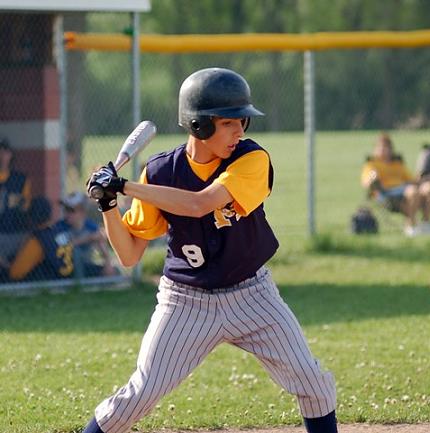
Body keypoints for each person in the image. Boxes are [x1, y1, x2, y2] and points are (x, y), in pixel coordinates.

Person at [81, 68, 337, 433]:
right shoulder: (159, 173)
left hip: (252, 294)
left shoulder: (251, 159)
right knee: (137, 397)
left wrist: (123, 185)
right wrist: (107, 205)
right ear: (199, 125)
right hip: (185, 301)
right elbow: (129, 255)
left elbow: (200, 204)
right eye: (229, 123)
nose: (240, 132)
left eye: (242, 122)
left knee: (313, 383)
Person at [361, 133, 430, 237]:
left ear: (391, 149)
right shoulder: (371, 164)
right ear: (375, 149)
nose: (384, 150)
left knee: (428, 189)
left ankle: (425, 224)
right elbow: (366, 183)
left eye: (386, 147)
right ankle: (410, 225)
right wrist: (372, 178)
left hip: (403, 189)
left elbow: (412, 180)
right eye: (381, 147)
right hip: (385, 193)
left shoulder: (397, 164)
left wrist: (429, 178)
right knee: (412, 191)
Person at [8, 196, 74, 281]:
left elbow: (15, 274)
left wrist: (6, 268)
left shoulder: (39, 239)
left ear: (32, 217)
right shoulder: (59, 231)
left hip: (51, 283)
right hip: (69, 278)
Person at [55, 191, 116, 278]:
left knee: (115, 271)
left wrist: (108, 264)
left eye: (71, 210)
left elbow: (101, 243)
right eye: (65, 210)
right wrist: (87, 239)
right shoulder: (59, 227)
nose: (66, 214)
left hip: (85, 266)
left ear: (82, 212)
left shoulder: (91, 226)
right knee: (76, 253)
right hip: (64, 269)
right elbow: (63, 247)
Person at [0, 137, 32, 269]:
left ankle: (13, 271)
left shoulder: (21, 179)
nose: (2, 156)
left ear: (10, 155)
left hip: (17, 231)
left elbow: (26, 207)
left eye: (5, 152)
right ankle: (8, 270)